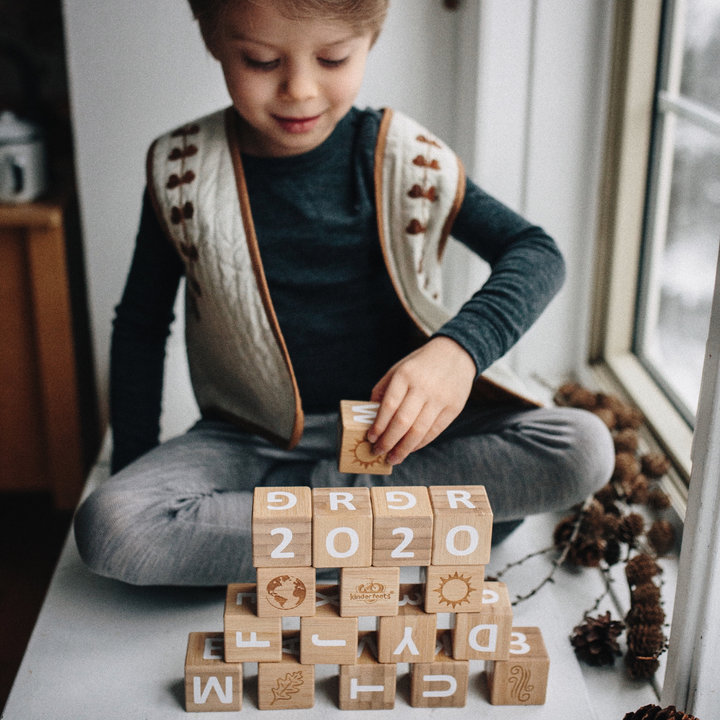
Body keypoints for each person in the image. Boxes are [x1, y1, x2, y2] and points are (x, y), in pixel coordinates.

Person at [74, 0, 615, 586]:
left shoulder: (404, 154)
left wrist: (457, 351)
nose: (299, 90)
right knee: (113, 525)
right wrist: (137, 467)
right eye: (260, 60)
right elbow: (140, 325)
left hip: (398, 438)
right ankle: (428, 530)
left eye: (332, 58)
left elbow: (536, 252)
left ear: (371, 38)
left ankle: (312, 530)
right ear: (213, 39)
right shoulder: (181, 168)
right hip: (251, 446)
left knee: (583, 447)